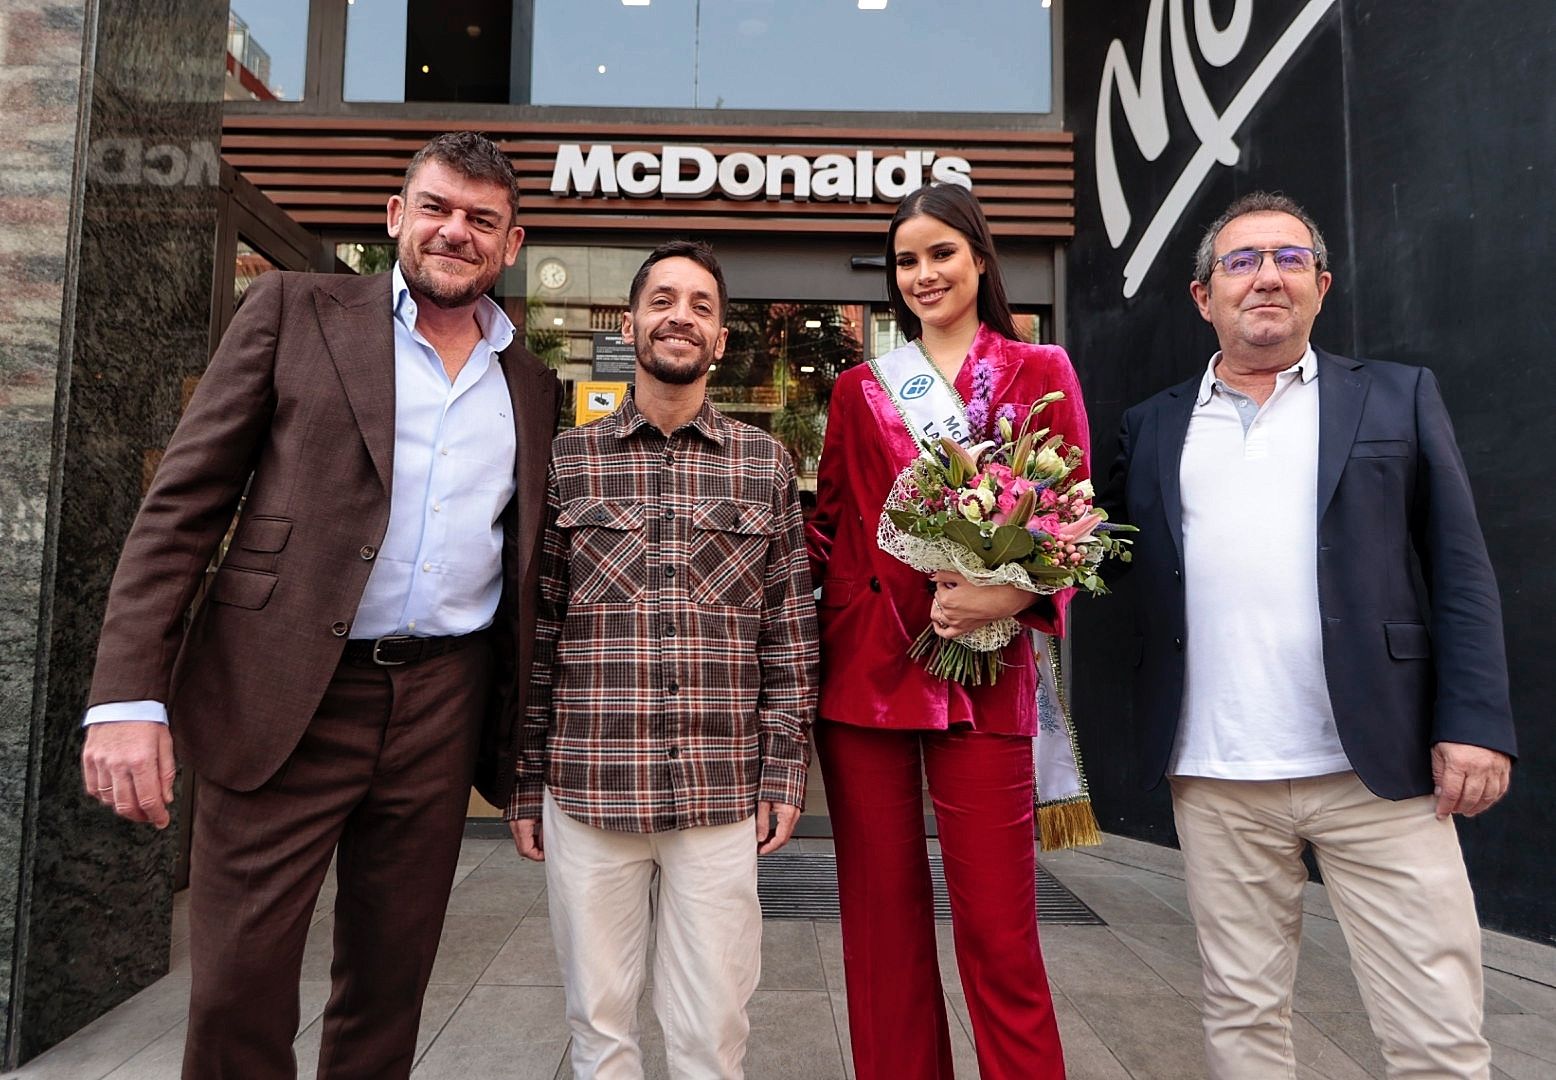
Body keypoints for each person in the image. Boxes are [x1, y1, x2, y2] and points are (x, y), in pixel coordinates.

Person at [79, 131, 559, 1079]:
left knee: (390, 980)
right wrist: (128, 696)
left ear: (512, 245)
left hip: (442, 703)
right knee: (237, 984)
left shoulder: (531, 383)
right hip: (282, 685)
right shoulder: (292, 310)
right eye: (436, 208)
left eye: (480, 220)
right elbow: (182, 507)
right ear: (396, 217)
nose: (453, 232)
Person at [1102, 191, 1516, 1078]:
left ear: (1320, 287)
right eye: (1242, 261)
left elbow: (1461, 569)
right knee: (1242, 1019)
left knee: (1437, 1027)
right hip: (1217, 773)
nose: (1266, 278)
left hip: (1386, 771)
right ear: (1202, 294)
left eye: (1289, 260)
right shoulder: (1151, 424)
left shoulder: (1399, 397)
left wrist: (1476, 722)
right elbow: (1099, 564)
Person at [506, 240, 819, 1080]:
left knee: (713, 1030)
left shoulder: (766, 465)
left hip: (720, 794)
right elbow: (538, 638)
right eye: (664, 299)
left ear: (720, 341)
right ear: (629, 322)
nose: (681, 315)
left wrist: (784, 771)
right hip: (589, 786)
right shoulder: (567, 462)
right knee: (599, 1024)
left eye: (702, 306)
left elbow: (790, 634)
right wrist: (526, 777)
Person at [807, 183, 1083, 1080]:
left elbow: (1072, 522)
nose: (923, 274)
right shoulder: (860, 389)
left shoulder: (1042, 369)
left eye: (940, 254)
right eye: (907, 261)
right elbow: (832, 527)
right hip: (866, 680)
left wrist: (1011, 599)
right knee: (881, 933)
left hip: (989, 678)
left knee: (1001, 934)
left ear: (980, 258)